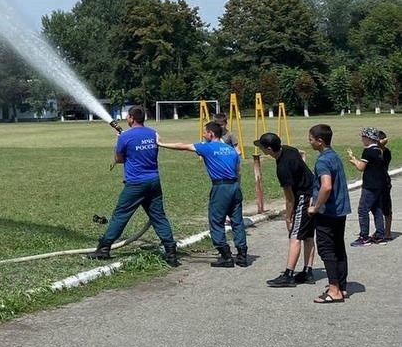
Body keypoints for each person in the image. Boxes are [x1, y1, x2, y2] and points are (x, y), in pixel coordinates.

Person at [87, 106, 180, 266]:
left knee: (120, 215)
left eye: (127, 117)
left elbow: (119, 159)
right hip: (154, 181)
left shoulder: (125, 137)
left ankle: (104, 248)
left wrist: (119, 141)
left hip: (136, 183)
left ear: (131, 118)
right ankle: (171, 251)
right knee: (158, 216)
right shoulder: (152, 133)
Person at [160, 121, 248, 267]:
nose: (203, 134)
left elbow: (182, 146)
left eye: (205, 132)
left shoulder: (207, 147)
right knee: (237, 221)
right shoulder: (231, 149)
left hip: (221, 188)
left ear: (211, 134)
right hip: (235, 186)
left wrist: (161, 144)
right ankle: (242, 255)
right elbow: (238, 170)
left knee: (216, 221)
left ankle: (225, 255)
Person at [256, 133, 318, 287]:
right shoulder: (290, 149)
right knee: (308, 235)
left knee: (295, 235)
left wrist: (288, 217)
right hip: (313, 193)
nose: (261, 149)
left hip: (303, 197)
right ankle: (308, 271)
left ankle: (288, 275)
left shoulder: (283, 168)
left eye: (262, 147)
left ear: (269, 149)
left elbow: (290, 198)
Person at [307, 123, 350, 304]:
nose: (309, 142)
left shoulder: (323, 161)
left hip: (328, 212)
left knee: (326, 248)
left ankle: (334, 290)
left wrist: (315, 207)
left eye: (311, 139)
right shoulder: (334, 156)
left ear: (320, 141)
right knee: (339, 247)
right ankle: (341, 286)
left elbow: (326, 186)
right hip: (340, 210)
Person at [347, 127, 390, 245]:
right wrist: (356, 159)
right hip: (379, 184)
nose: (362, 139)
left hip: (370, 185)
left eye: (363, 137)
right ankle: (380, 235)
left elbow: (361, 167)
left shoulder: (368, 151)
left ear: (368, 138)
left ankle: (364, 236)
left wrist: (354, 161)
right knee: (377, 209)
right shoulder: (379, 150)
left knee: (363, 209)